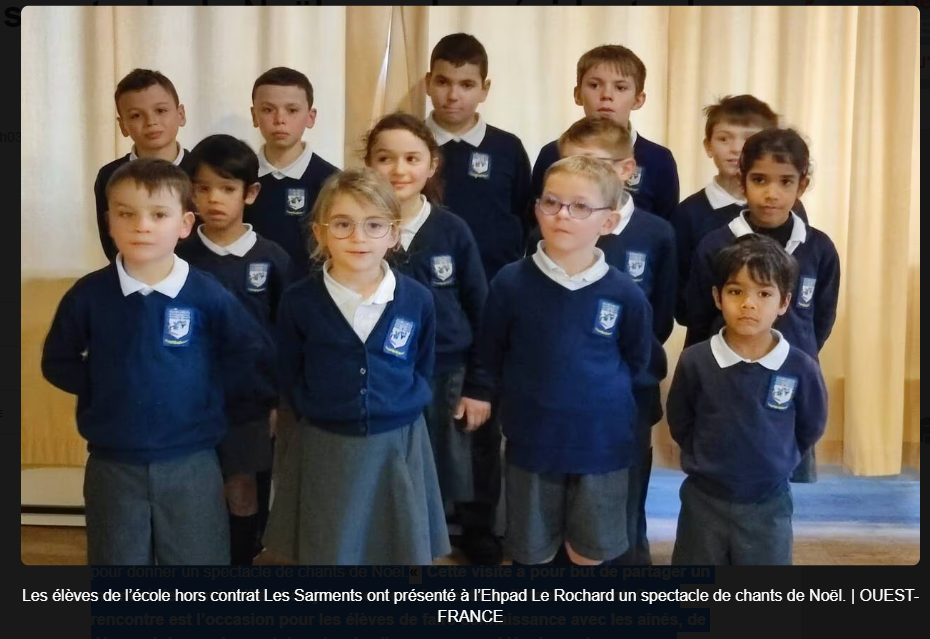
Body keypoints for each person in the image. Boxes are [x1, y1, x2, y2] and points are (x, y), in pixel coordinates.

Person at [42, 159, 269, 565]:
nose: (141, 225)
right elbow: (57, 361)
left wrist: (206, 393)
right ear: (109, 221)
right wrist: (106, 386)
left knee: (197, 560)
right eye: (126, 214)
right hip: (113, 462)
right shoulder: (88, 295)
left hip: (192, 460)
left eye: (158, 214)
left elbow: (249, 352)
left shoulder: (207, 294)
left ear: (184, 224)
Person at [465, 156, 653, 566]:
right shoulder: (511, 282)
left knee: (589, 551)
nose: (562, 215)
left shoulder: (624, 293)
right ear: (536, 208)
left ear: (608, 222)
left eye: (581, 207)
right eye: (551, 202)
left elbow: (637, 359)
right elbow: (490, 348)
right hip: (532, 439)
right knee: (532, 550)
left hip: (601, 442)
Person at [262, 167, 449, 565]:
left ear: (394, 234)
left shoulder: (416, 299)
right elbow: (291, 372)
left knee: (396, 543)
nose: (358, 237)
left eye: (374, 225)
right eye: (343, 224)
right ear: (319, 233)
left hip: (397, 442)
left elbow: (423, 364)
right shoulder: (300, 301)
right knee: (331, 545)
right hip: (327, 444)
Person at [363, 112, 494, 562]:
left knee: (448, 463)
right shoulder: (360, 231)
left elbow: (482, 311)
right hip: (383, 373)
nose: (399, 170)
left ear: (431, 164)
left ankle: (449, 539)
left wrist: (479, 385)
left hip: (447, 371)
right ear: (368, 165)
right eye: (385, 158)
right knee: (391, 464)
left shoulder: (452, 230)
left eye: (411, 158)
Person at [681, 128, 840, 482]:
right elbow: (700, 315)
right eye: (759, 180)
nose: (772, 193)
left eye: (785, 182)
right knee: (719, 473)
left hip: (787, 381)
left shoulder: (819, 248)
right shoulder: (715, 244)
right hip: (727, 381)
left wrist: (798, 353)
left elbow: (821, 317)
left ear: (803, 184)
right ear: (742, 180)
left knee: (779, 478)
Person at [668, 234, 828, 564]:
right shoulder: (696, 360)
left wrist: (779, 460)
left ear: (784, 302)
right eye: (735, 291)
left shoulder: (800, 366)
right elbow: (681, 420)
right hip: (704, 498)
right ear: (717, 297)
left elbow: (810, 426)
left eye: (764, 293)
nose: (748, 303)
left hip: (768, 501)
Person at [176, 134, 290, 565]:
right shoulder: (177, 255)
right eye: (202, 188)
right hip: (190, 403)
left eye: (227, 188)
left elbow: (286, 334)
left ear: (251, 192)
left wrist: (280, 399)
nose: (214, 199)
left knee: (243, 492)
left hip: (251, 403)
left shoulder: (273, 258)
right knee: (196, 491)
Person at [671, 94, 808, 322]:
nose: (735, 149)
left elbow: (805, 286)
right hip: (712, 343)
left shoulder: (790, 209)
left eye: (748, 139)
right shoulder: (688, 213)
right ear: (708, 146)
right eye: (724, 139)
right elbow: (684, 300)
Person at [532, 45, 679, 221]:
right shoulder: (552, 153)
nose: (606, 95)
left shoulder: (659, 159)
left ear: (638, 100)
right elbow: (538, 220)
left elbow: (666, 227)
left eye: (620, 87)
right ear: (578, 94)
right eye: (594, 85)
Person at [244, 66, 339, 279]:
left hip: (310, 298)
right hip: (249, 299)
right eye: (268, 110)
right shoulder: (239, 177)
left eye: (292, 110)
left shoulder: (333, 182)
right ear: (254, 115)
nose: (280, 119)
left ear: (311, 117)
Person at [94, 68, 195, 261]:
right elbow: (112, 243)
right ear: (122, 125)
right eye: (135, 115)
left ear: (180, 114)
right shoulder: (110, 175)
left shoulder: (204, 170)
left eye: (160, 111)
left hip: (197, 281)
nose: (151, 122)